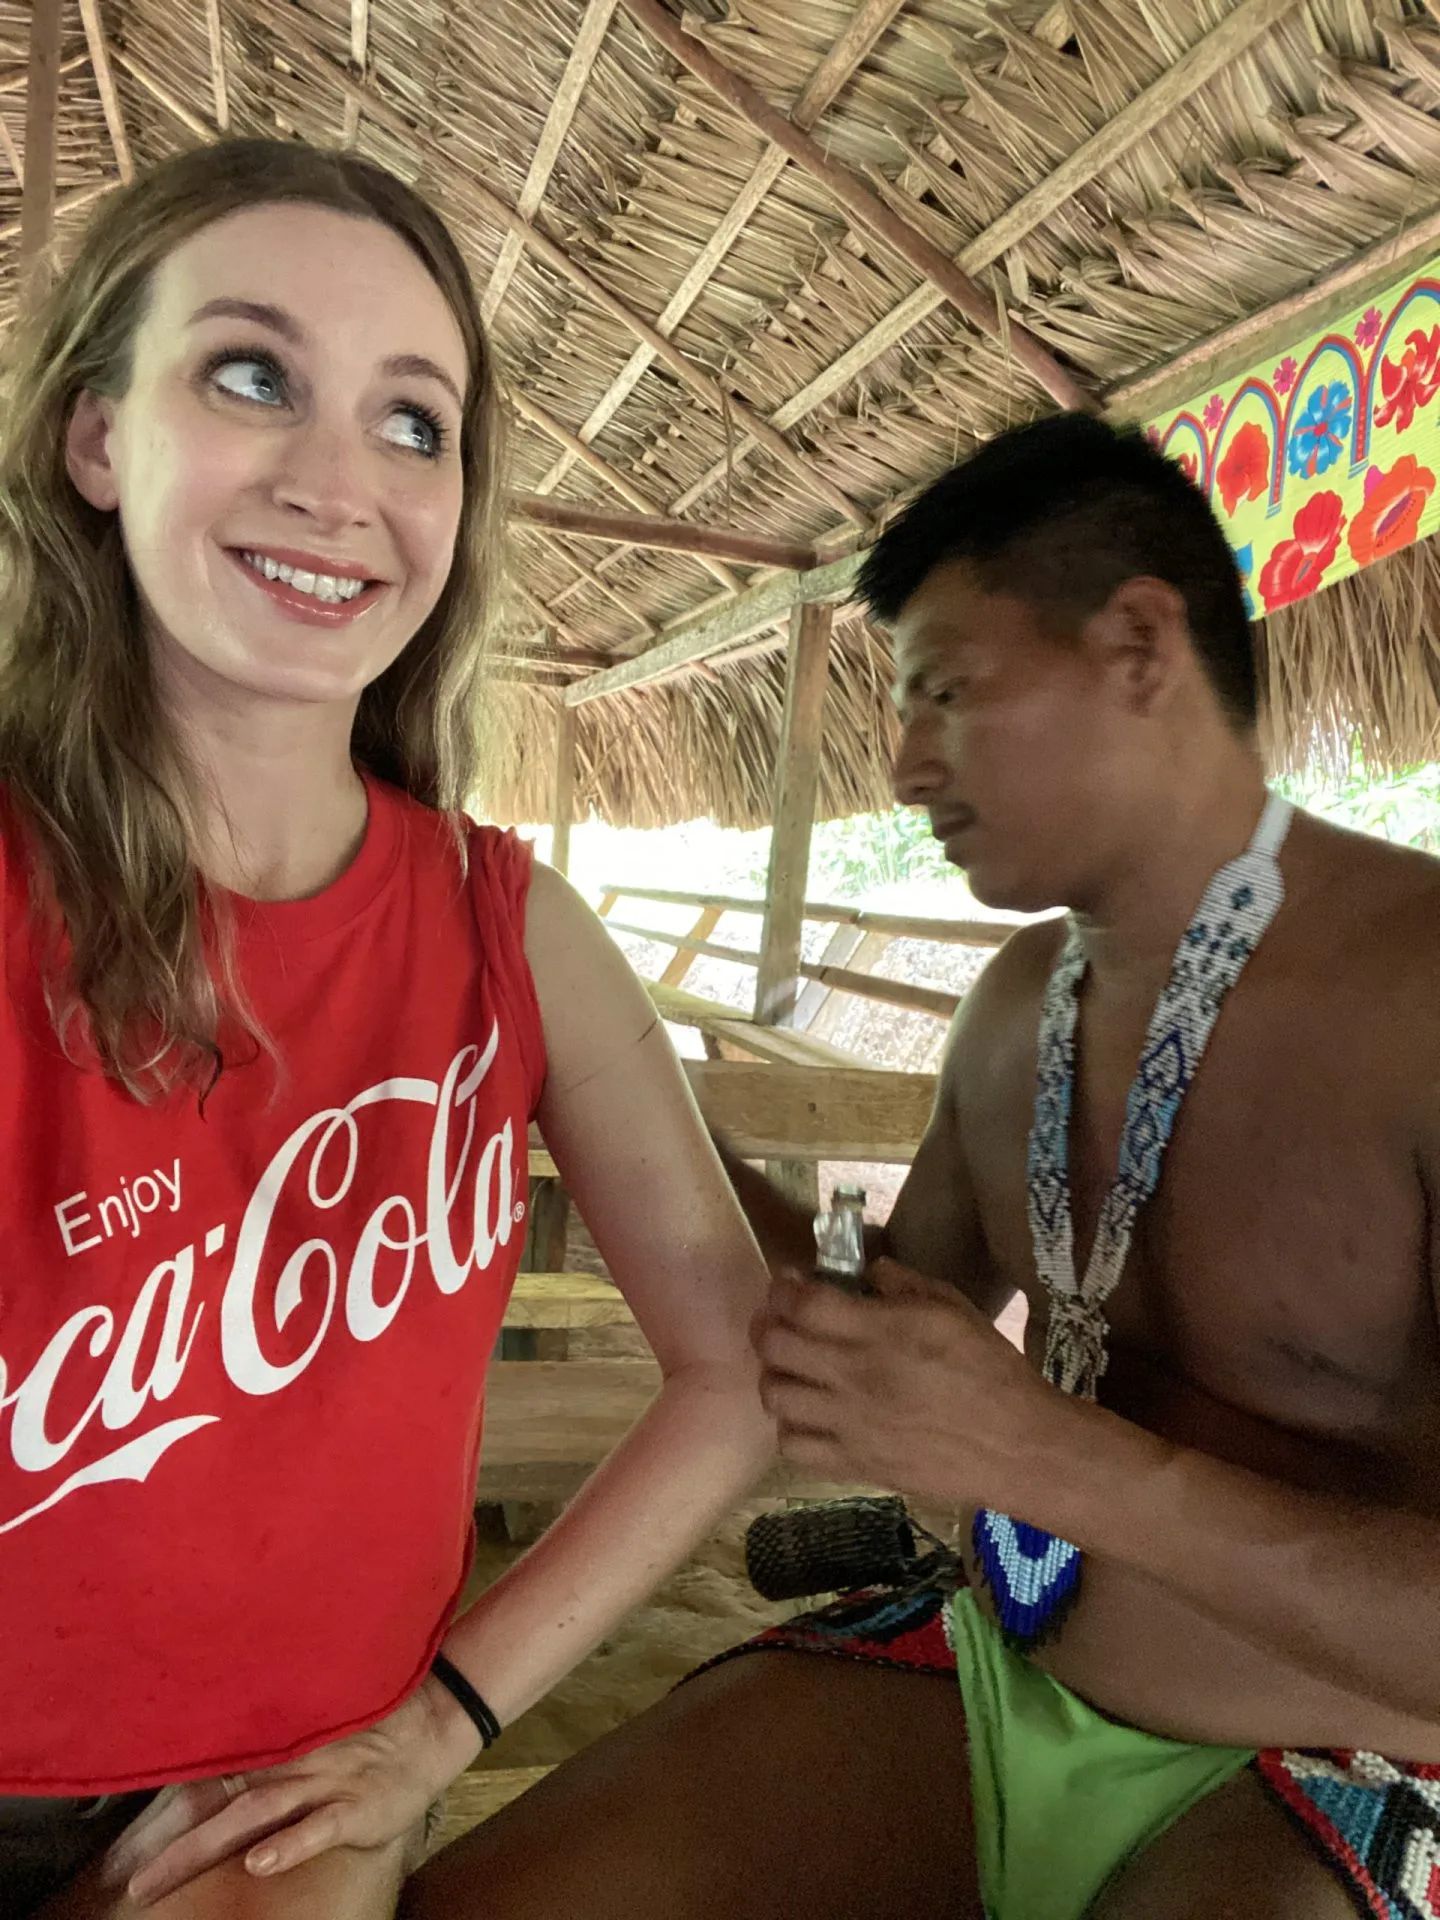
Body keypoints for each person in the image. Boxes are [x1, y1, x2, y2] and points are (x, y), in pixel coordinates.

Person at [405, 415, 1440, 1920]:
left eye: (948, 691)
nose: (901, 764)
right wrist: (610, 1079)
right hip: (986, 1669)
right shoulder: (1021, 1004)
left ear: (1140, 646)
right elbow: (854, 1330)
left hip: (1341, 1763)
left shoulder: (1418, 993)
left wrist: (1035, 1456)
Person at [0, 139, 774, 1920]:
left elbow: (735, 1375)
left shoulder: (512, 936)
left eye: (416, 421)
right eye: (253, 376)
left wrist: (443, 1723)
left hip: (275, 1807)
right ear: (97, 437)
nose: (342, 481)